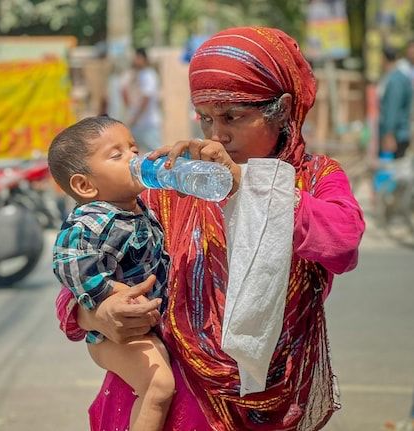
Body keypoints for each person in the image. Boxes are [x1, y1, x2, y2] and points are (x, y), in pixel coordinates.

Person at [54, 26, 365, 430]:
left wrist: (247, 188)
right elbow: (80, 276)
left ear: (283, 109)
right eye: (205, 117)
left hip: (270, 402)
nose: (217, 135)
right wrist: (97, 315)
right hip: (178, 403)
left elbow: (343, 243)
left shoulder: (315, 178)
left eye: (232, 116)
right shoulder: (176, 184)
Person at [49, 116, 174, 431]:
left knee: (157, 380)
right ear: (84, 185)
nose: (134, 158)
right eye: (117, 155)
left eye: (133, 148)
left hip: (143, 323)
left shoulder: (138, 207)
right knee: (158, 386)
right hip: (111, 335)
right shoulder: (92, 220)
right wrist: (108, 296)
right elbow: (67, 260)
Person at [121, 48, 162, 152]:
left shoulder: (148, 75)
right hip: (138, 123)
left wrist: (135, 117)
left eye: (137, 57)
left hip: (148, 123)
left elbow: (146, 99)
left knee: (156, 153)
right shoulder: (137, 74)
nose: (135, 60)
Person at [378, 44, 412, 159]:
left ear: (383, 58)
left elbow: (392, 108)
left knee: (392, 172)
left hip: (396, 136)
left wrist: (388, 134)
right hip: (398, 134)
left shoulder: (395, 81)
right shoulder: (398, 77)